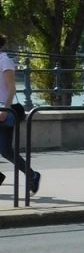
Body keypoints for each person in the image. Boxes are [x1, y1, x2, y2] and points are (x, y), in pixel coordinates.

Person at [0, 32, 40, 194]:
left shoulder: (5, 61)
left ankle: (32, 175)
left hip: (3, 110)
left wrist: (5, 109)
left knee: (6, 150)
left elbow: (12, 88)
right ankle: (32, 175)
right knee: (6, 150)